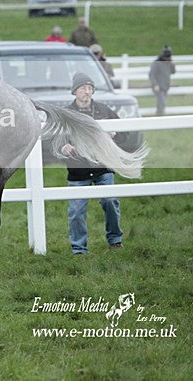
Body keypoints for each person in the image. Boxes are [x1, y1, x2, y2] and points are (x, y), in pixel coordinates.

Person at [60, 72, 127, 254]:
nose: (87, 92)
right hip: (77, 170)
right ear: (74, 92)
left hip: (102, 166)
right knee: (76, 211)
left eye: (90, 88)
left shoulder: (104, 111)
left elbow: (125, 133)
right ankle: (79, 249)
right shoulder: (66, 114)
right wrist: (63, 146)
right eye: (83, 88)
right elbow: (54, 140)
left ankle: (115, 240)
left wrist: (114, 134)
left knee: (110, 201)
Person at [149, 46, 175, 116]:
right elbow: (151, 74)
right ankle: (161, 115)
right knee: (162, 102)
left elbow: (173, 72)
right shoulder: (156, 63)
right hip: (158, 87)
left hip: (165, 86)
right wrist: (155, 84)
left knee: (161, 102)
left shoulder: (169, 63)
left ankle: (158, 115)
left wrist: (172, 64)